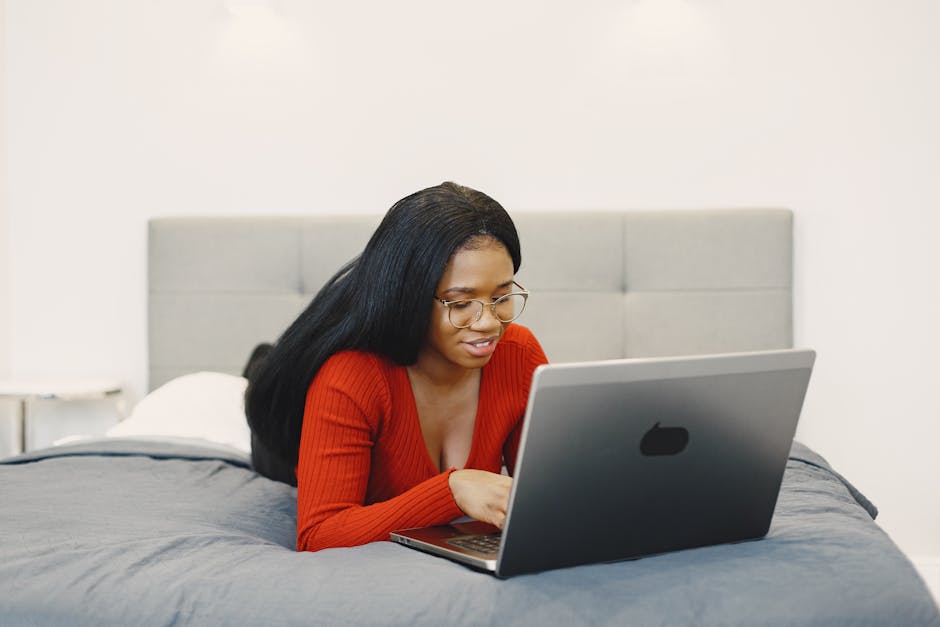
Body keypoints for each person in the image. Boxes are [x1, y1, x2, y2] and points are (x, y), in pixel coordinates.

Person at [245, 182, 548, 551]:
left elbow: (542, 490)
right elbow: (318, 534)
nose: (488, 323)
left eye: (501, 296)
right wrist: (451, 491)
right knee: (264, 381)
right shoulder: (349, 376)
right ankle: (259, 365)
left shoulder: (519, 353)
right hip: (281, 433)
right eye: (460, 303)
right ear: (412, 299)